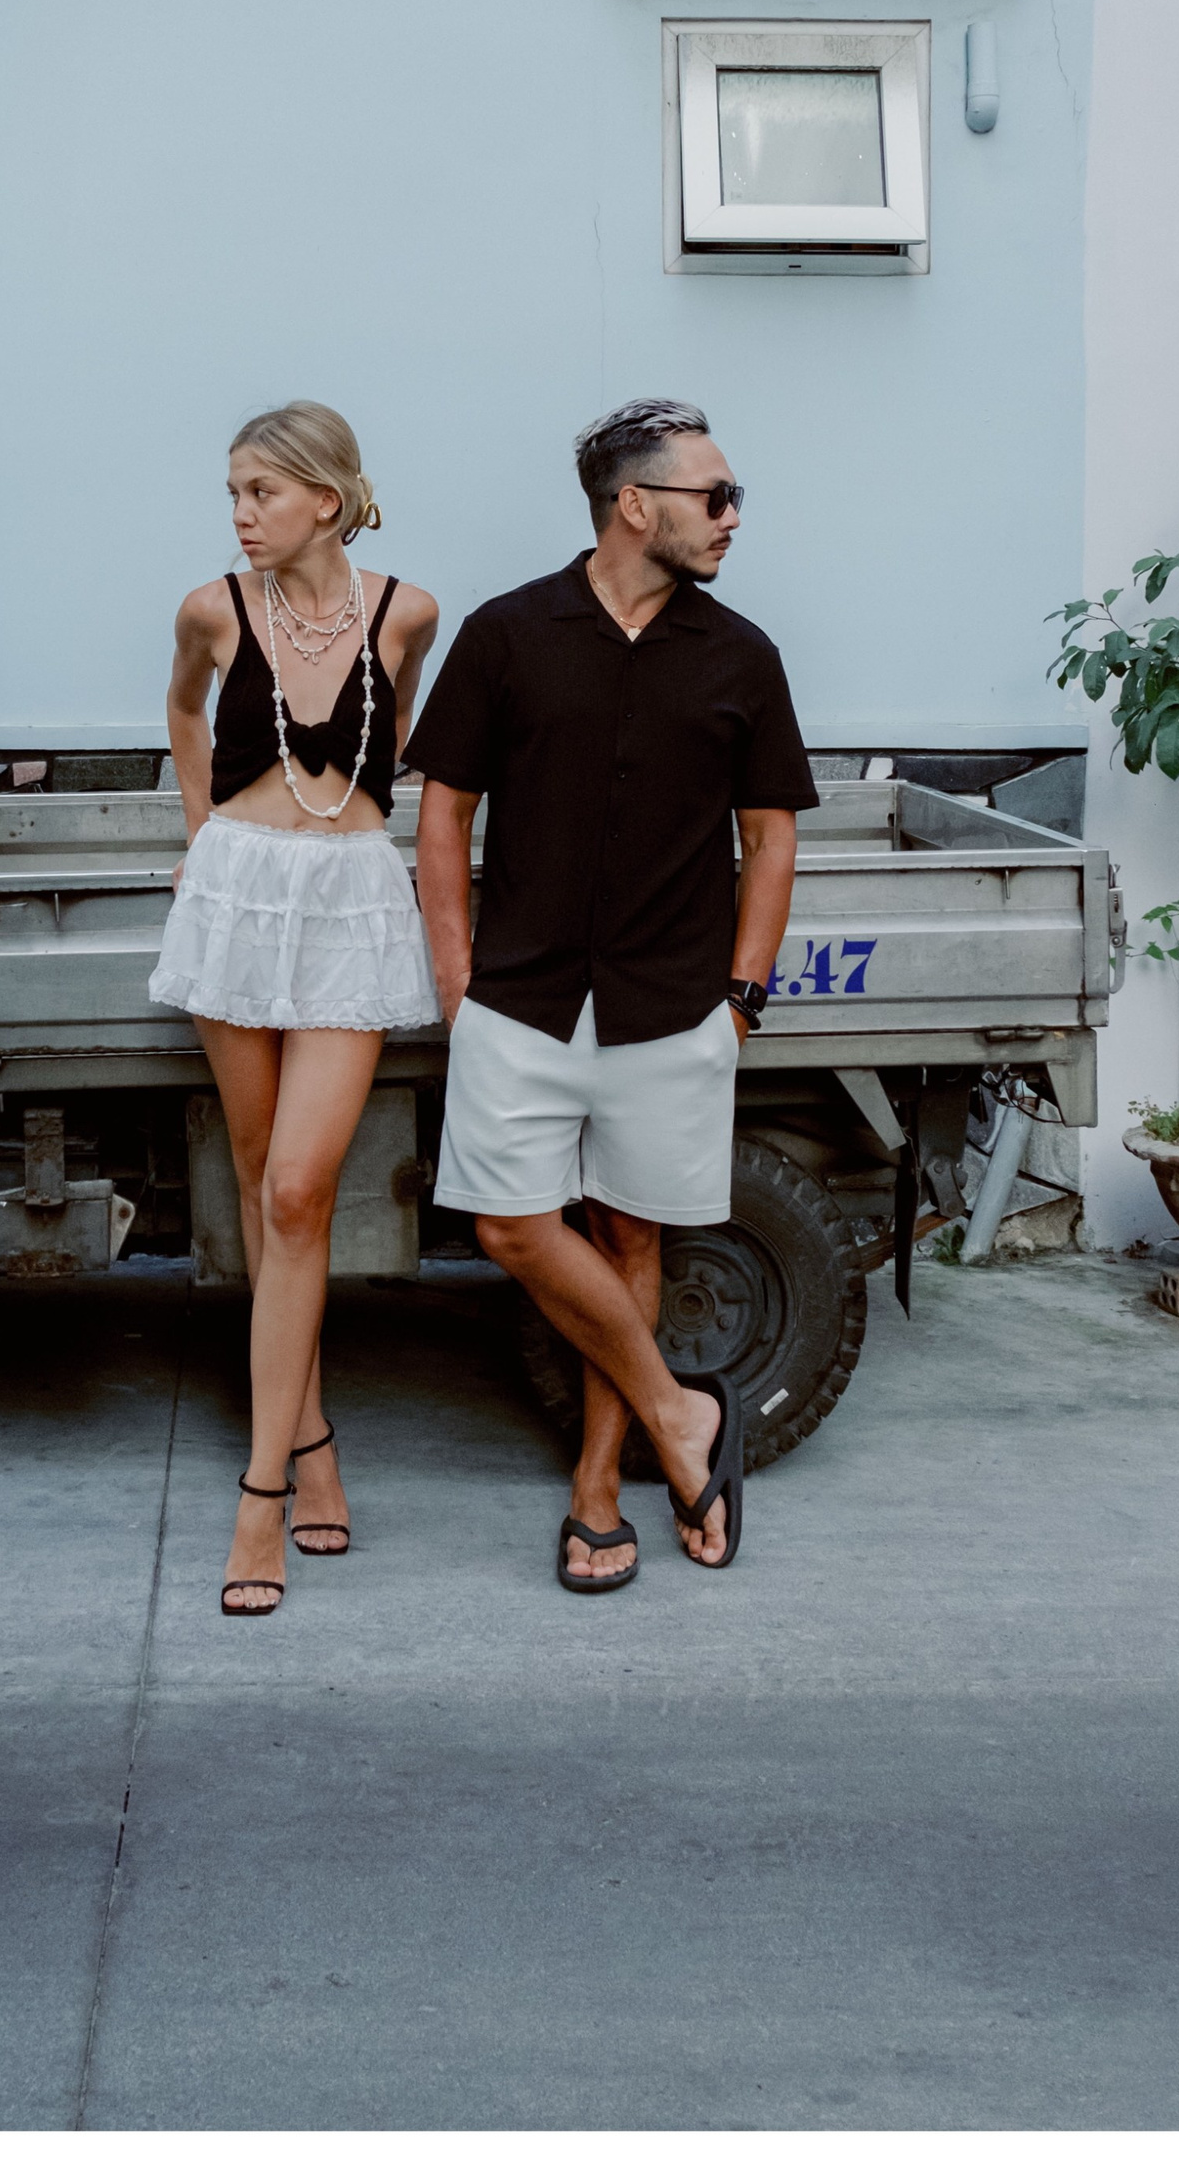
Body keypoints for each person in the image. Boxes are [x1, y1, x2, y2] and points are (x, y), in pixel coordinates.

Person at [407, 396, 815, 1592]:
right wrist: (455, 971)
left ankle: (599, 1488)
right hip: (520, 998)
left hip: (672, 1000)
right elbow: (444, 808)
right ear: (633, 505)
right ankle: (681, 1416)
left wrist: (739, 992)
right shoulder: (505, 633)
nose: (733, 516)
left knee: (630, 1229)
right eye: (714, 495)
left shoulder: (742, 655)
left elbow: (771, 835)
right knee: (508, 1225)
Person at [152, 404, 440, 1617]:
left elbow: (398, 735)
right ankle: (310, 1433)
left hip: (352, 897)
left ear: (325, 497)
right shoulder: (213, 607)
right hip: (238, 892)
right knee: (266, 1170)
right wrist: (199, 838)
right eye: (231, 493)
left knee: (296, 1191)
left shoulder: (408, 611)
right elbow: (179, 711)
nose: (239, 514)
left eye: (259, 492)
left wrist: (334, 839)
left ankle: (257, 1493)